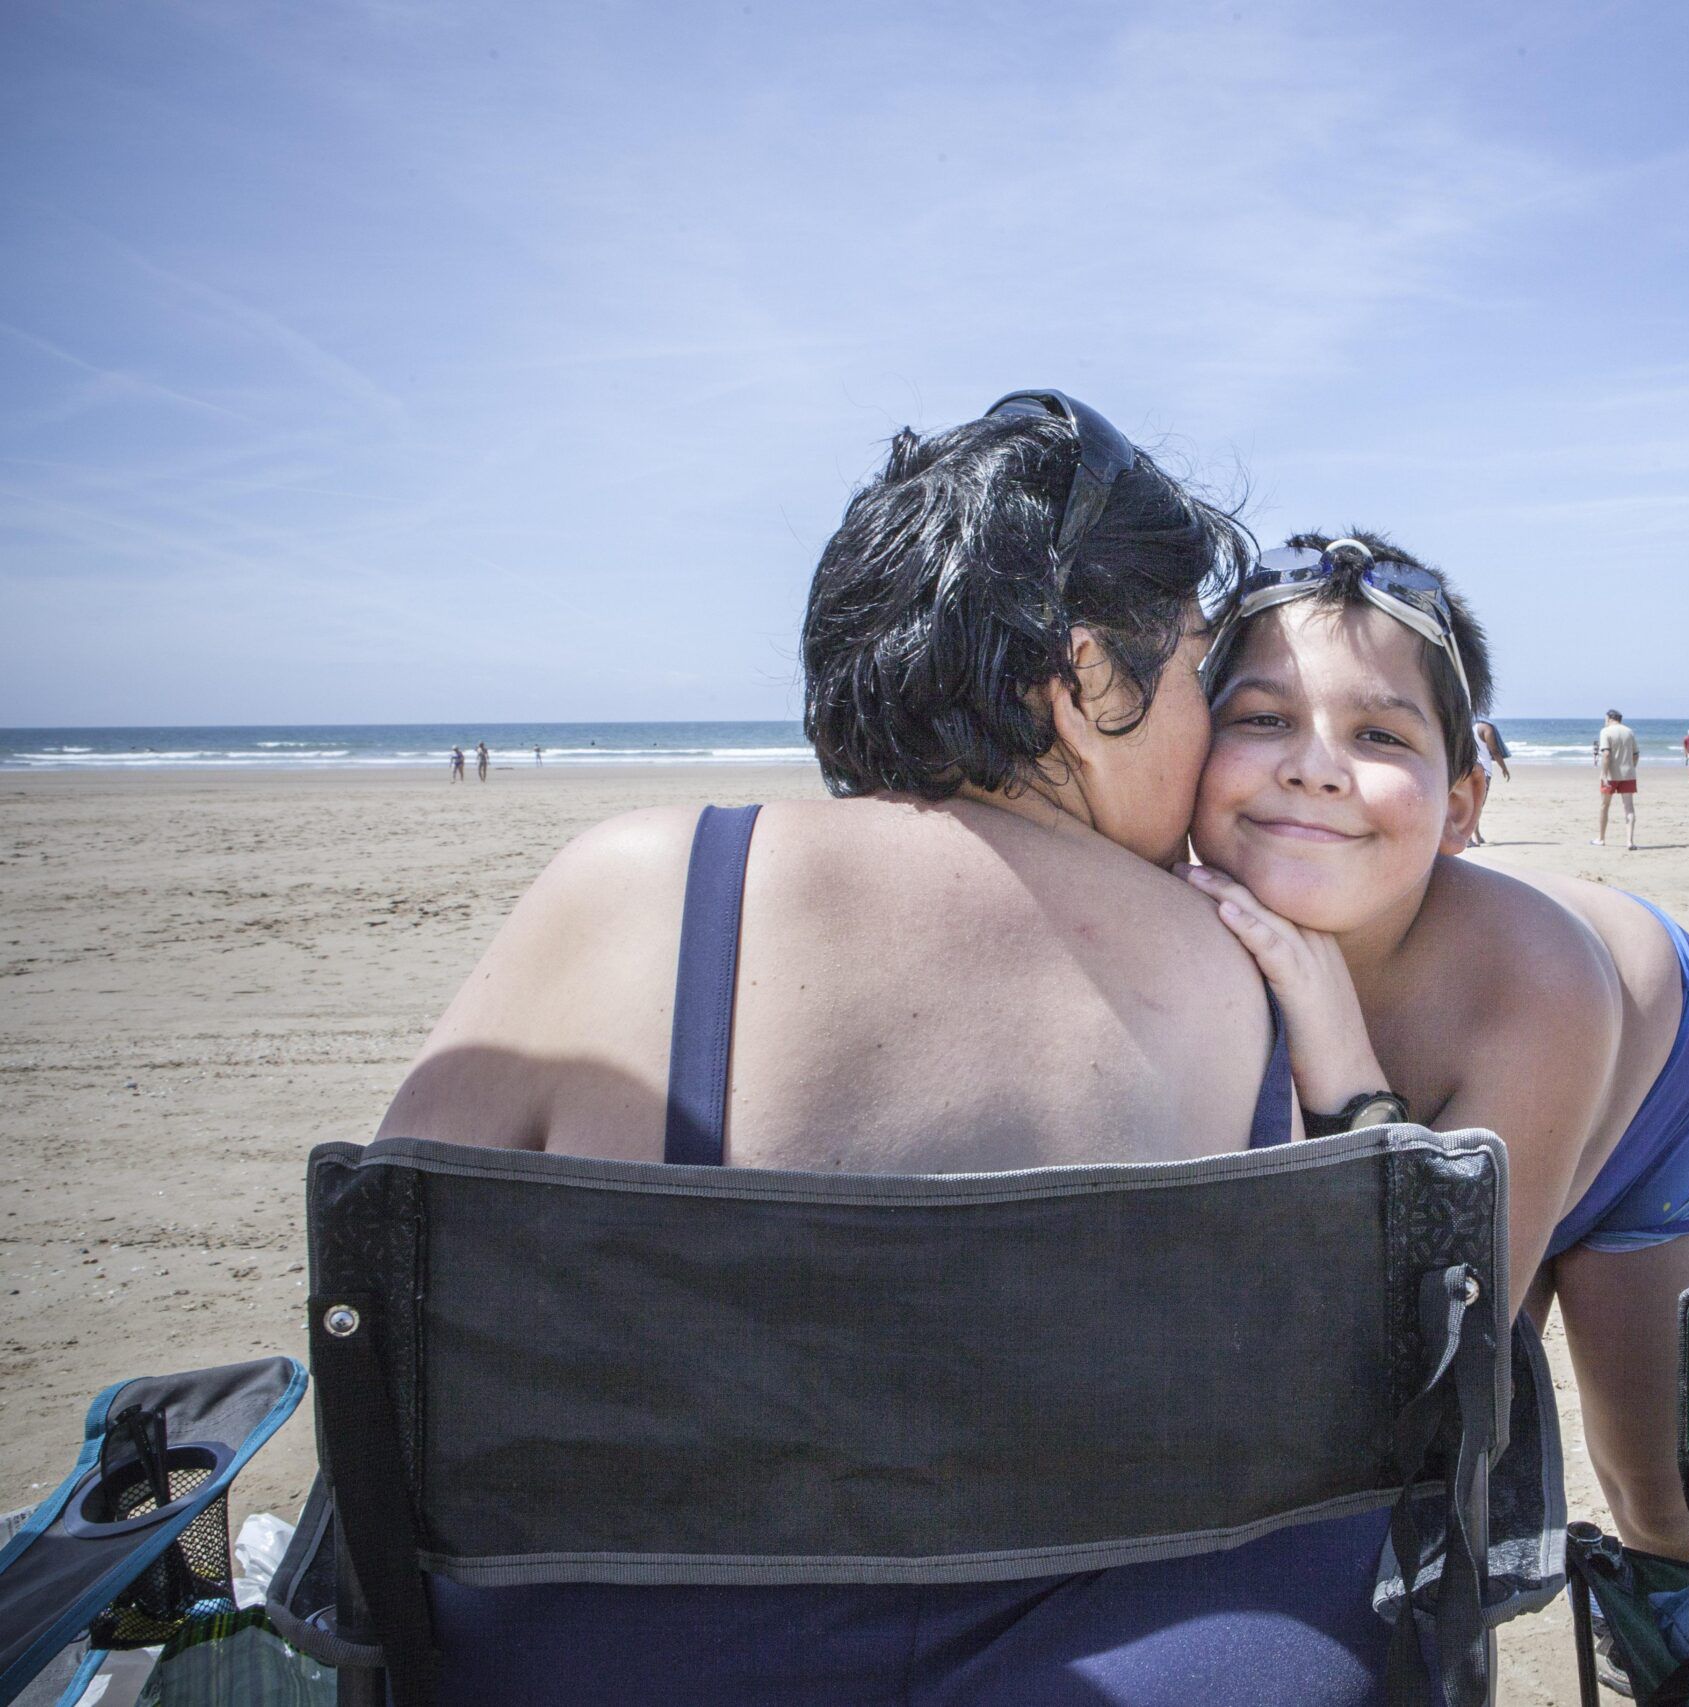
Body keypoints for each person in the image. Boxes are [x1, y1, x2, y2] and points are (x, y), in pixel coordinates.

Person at [371, 394, 1422, 1706]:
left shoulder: (637, 888)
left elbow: (396, 1282)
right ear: (1090, 679)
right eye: (1201, 670)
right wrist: (1362, 1093)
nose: (1209, 722)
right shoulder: (1233, 962)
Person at [1183, 531, 1689, 1671]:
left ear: (1460, 807)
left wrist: (1338, 1044)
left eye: (1379, 735)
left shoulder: (1530, 979)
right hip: (1455, 1145)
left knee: (1658, 1492)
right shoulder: (1154, 918)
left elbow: (1444, 1370)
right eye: (1260, 719)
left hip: (1653, 1108)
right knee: (1401, 1525)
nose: (1312, 766)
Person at [1595, 709, 1639, 847]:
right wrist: (1632, 767)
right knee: (1629, 807)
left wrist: (1603, 774)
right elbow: (1636, 754)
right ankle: (1629, 841)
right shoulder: (1629, 731)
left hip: (1611, 775)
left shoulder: (1605, 731)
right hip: (1628, 774)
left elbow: (1606, 754)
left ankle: (1601, 838)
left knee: (1604, 806)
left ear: (1609, 718)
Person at [1469, 716, 1511, 847]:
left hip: (1468, 767)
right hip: (1483, 770)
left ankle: (1477, 836)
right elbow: (1494, 750)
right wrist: (1504, 768)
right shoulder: (1486, 728)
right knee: (1478, 805)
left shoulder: (1470, 726)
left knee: (1471, 803)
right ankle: (1469, 838)